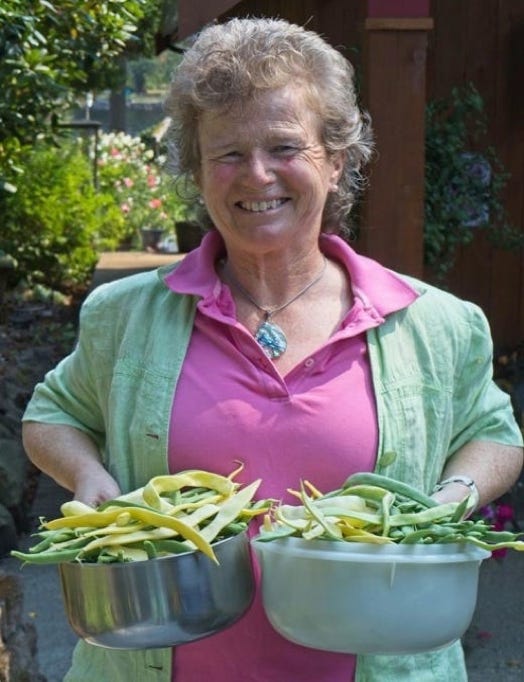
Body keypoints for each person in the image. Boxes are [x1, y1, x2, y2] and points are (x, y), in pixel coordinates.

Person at [22, 16, 522, 682]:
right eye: (227, 152)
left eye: (284, 147)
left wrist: (449, 500)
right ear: (198, 173)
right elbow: (51, 415)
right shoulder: (124, 317)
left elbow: (494, 433)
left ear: (336, 159)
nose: (256, 175)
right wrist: (91, 479)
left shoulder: (435, 322)